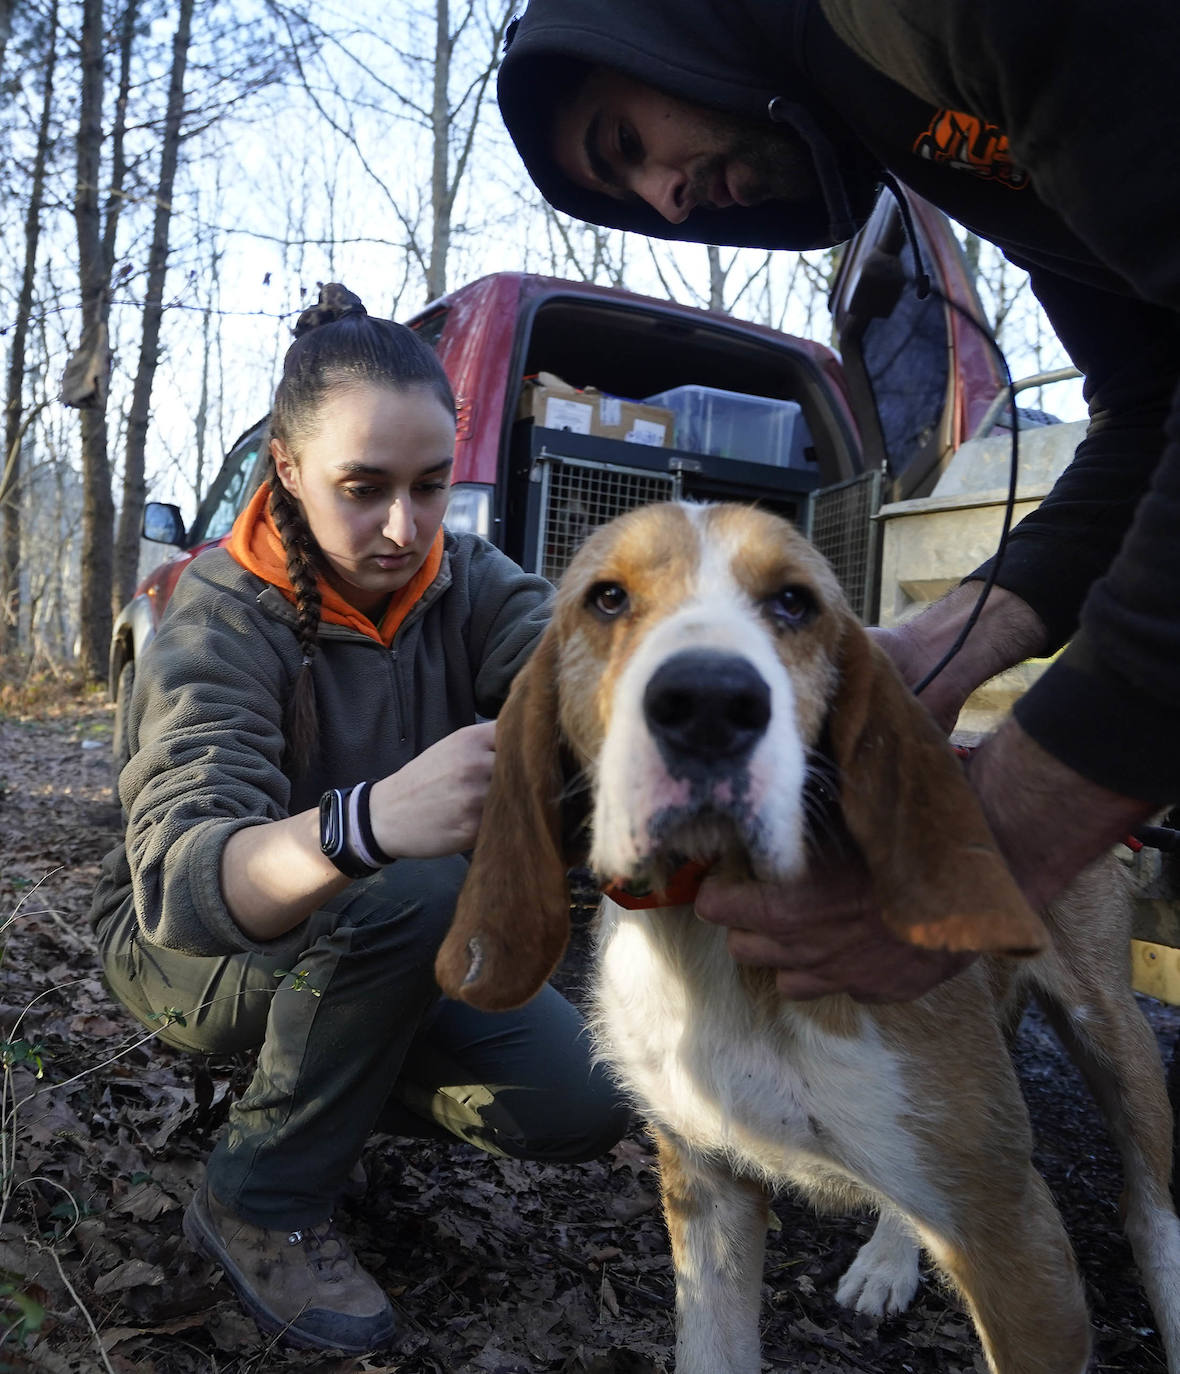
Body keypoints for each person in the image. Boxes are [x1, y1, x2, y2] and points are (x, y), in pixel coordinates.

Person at [494, 0, 1180, 999]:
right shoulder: (917, 122)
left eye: (628, 142)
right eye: (631, 188)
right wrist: (944, 643)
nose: (667, 202)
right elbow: (1149, 412)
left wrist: (981, 852)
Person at [90, 284, 628, 1354]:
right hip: (187, 954)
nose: (402, 526)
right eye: (363, 487)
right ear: (287, 471)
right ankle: (259, 1195)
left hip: (382, 942)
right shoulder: (216, 616)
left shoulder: (470, 583)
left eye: (431, 486)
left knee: (583, 1105)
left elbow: (575, 674)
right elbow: (186, 889)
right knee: (415, 887)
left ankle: (325, 1077)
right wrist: (366, 823)